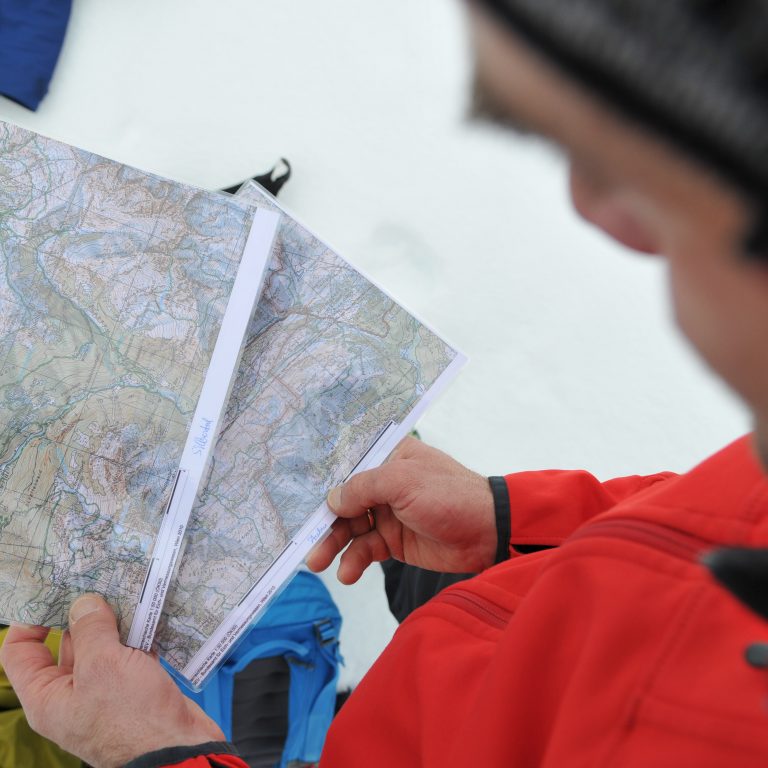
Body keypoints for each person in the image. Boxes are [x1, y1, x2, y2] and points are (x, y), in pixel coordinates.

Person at [3, 0, 768, 764]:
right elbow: (711, 530)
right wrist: (512, 522)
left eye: (644, 163)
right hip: (474, 619)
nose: (592, 209)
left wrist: (156, 753)